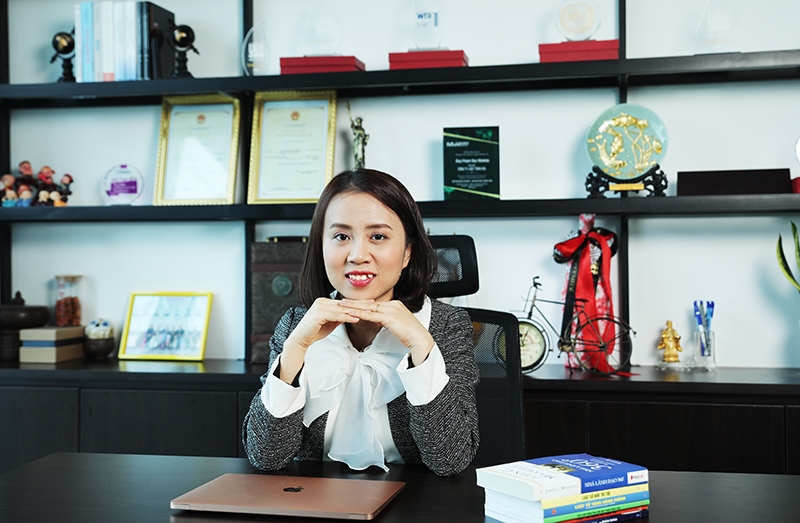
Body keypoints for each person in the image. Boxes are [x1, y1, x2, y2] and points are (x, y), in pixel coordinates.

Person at [242, 168, 479, 477]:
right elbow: (266, 457)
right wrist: (296, 349)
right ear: (321, 247)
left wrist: (421, 347)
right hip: (316, 498)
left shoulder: (445, 325)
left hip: (411, 499)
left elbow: (450, 460)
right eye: (341, 237)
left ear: (407, 253)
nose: (357, 255)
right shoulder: (295, 325)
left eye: (378, 237)